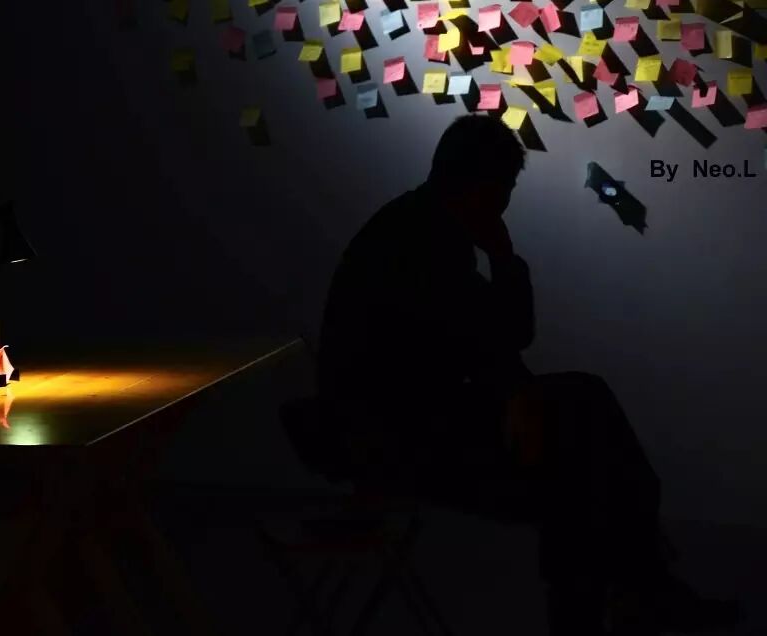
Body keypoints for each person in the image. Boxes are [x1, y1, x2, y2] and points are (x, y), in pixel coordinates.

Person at [315, 115, 742, 635]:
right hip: (391, 432)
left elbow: (500, 337)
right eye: (505, 189)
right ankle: (631, 595)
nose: (506, 203)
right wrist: (516, 384)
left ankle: (634, 592)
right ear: (482, 185)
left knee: (584, 423)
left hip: (409, 416)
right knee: (579, 463)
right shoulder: (418, 239)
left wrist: (503, 262)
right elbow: (490, 338)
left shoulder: (423, 226)